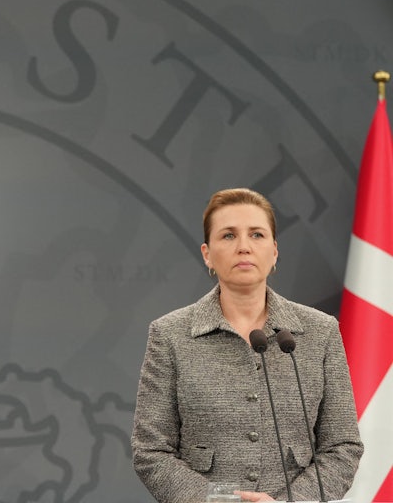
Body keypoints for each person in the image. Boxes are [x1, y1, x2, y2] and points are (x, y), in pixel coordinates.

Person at [131, 188, 363, 503]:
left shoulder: (320, 332)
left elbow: (343, 446)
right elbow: (151, 450)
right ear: (207, 253)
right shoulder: (170, 334)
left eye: (256, 234)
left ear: (275, 251)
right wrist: (221, 501)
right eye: (228, 236)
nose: (243, 247)